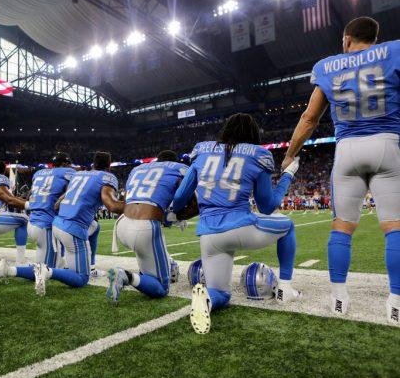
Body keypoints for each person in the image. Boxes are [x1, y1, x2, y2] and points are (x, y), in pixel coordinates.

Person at [281, 17, 400, 325]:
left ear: (347, 39)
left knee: (341, 228)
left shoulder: (329, 65)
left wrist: (290, 154)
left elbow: (309, 119)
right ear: (374, 37)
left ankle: (338, 297)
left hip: (347, 149)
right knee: (395, 228)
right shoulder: (393, 51)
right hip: (387, 143)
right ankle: (396, 302)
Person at [172, 113, 302, 334]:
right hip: (241, 227)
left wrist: (179, 214)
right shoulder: (258, 154)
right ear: (253, 134)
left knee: (221, 293)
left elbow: (178, 200)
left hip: (209, 236)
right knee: (287, 226)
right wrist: (288, 175)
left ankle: (208, 301)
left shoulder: (201, 151)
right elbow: (267, 206)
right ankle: (285, 288)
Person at [26, 152, 123, 296]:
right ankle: (48, 271)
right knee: (80, 278)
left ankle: (12, 270)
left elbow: (57, 204)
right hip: (71, 228)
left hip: (55, 223)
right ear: (109, 165)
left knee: (95, 227)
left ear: (93, 164)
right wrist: (137, 206)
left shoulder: (78, 175)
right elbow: (112, 206)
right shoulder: (106, 177)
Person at [106, 150, 188, 303]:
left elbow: (129, 199)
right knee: (162, 288)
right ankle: (126, 276)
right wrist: (177, 215)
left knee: (148, 262)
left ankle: (142, 275)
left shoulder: (137, 169)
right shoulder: (179, 168)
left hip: (122, 223)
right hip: (144, 227)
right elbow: (187, 200)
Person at [0, 153, 75, 286]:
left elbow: (31, 194)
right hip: (46, 225)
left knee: (48, 265)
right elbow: (73, 194)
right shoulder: (68, 172)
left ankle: (11, 270)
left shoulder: (39, 173)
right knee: (45, 270)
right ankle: (7, 270)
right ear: (65, 164)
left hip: (33, 222)